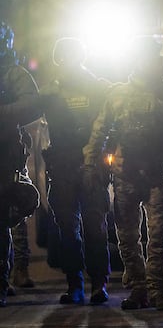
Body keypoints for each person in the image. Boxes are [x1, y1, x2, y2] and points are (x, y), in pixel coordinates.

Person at [82, 36, 163, 311]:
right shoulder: (117, 95)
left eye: (154, 57)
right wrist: (92, 164)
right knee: (127, 237)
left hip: (156, 175)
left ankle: (157, 291)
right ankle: (139, 290)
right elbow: (100, 130)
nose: (151, 63)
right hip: (124, 173)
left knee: (157, 237)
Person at [39, 38, 112, 304]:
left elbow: (111, 124)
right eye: (63, 58)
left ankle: (99, 284)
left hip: (91, 163)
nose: (67, 62)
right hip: (63, 165)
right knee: (67, 227)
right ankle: (75, 284)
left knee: (95, 227)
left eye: (72, 56)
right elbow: (28, 110)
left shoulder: (98, 87)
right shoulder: (51, 93)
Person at [0, 21, 41, 307]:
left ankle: (5, 280)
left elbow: (31, 105)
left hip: (4, 156)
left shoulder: (13, 74)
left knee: (4, 220)